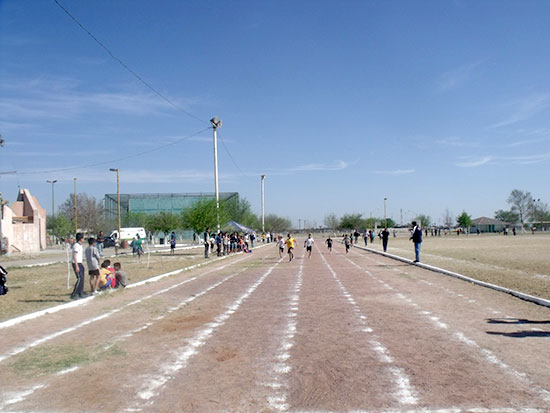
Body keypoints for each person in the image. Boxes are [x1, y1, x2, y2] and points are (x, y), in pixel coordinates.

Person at [70, 233, 87, 299]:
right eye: (83, 238)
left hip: (80, 262)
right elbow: (75, 256)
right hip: (76, 263)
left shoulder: (80, 245)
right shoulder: (76, 245)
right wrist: (76, 266)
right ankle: (74, 293)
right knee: (79, 278)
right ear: (81, 238)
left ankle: (80, 292)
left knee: (82, 278)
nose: (83, 239)